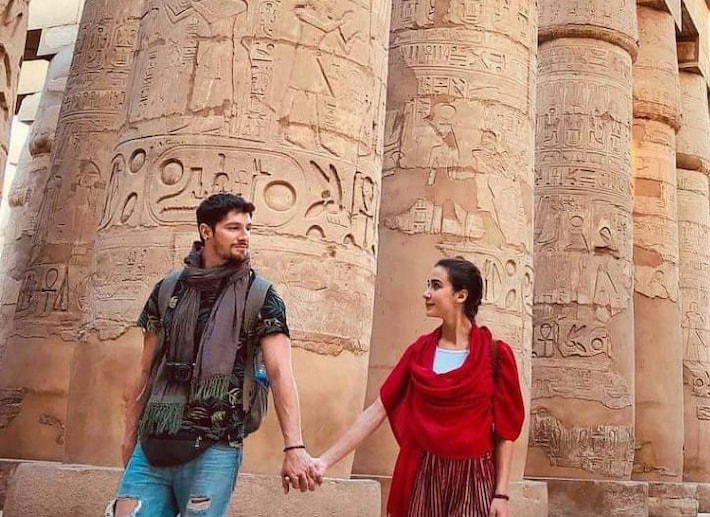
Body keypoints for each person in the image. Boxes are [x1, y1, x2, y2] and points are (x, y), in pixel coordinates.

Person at [109, 193, 320, 517]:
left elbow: (280, 373)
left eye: (247, 228)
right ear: (206, 232)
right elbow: (145, 370)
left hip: (216, 447)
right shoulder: (168, 290)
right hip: (152, 445)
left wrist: (295, 447)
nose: (244, 236)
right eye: (233, 228)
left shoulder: (260, 295)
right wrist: (129, 437)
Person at [311, 257, 524, 517]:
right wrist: (324, 461)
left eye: (436, 286)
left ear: (461, 295)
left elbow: (505, 431)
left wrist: (500, 494)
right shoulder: (419, 352)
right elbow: (376, 412)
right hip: (422, 477)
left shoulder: (495, 355)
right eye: (428, 285)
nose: (427, 293)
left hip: (475, 479)